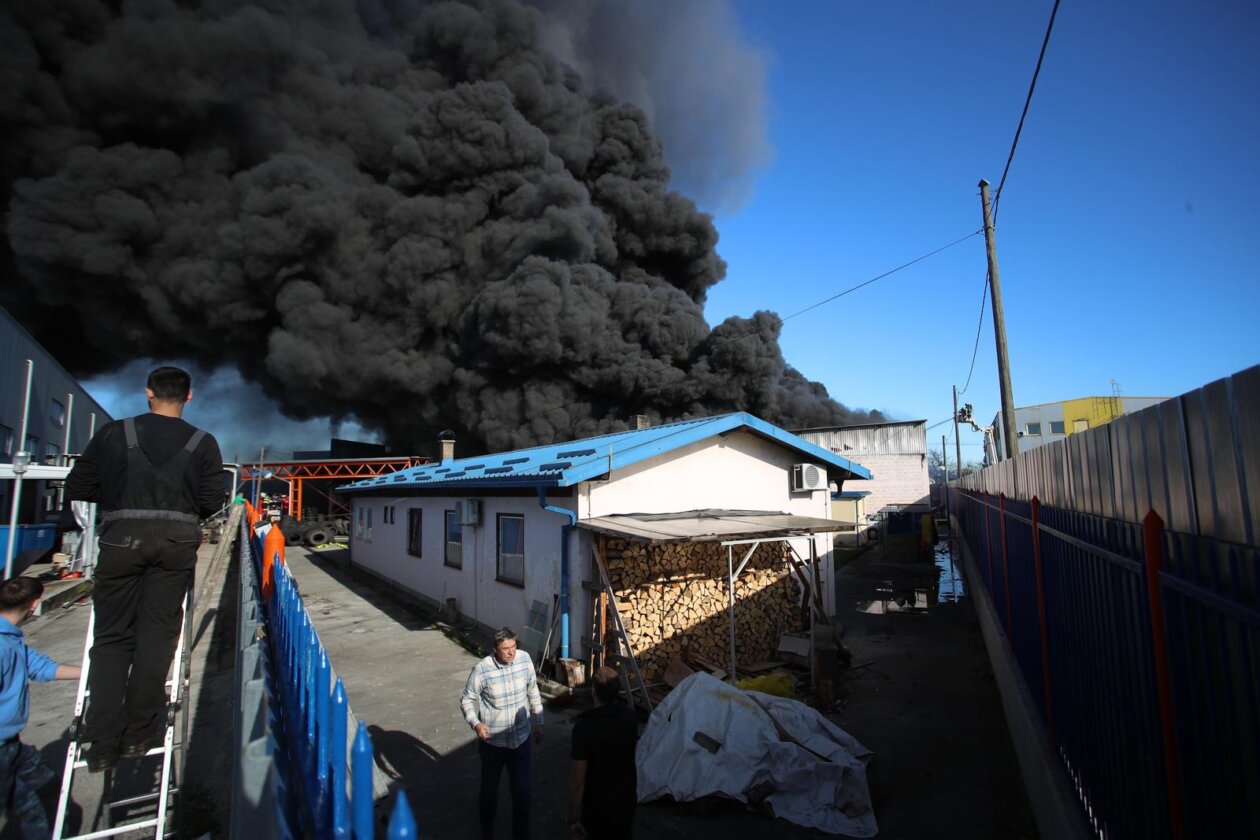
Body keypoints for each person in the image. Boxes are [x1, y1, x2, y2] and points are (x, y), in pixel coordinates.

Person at [66, 365, 223, 772]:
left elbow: (78, 487)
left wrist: (120, 499)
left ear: (147, 392)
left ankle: (100, 740)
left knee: (112, 637)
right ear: (189, 397)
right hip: (176, 543)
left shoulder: (113, 433)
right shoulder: (203, 442)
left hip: (121, 539)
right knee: (158, 635)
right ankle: (140, 733)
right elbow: (212, 500)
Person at [0, 577, 82, 838]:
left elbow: (41, 667)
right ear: (34, 604)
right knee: (33, 813)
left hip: (12, 746)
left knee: (49, 794)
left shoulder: (10, 639)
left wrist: (95, 673)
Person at [460, 627, 544, 840]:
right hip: (493, 744)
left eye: (514, 647)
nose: (511, 652)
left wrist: (539, 721)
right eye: (505, 649)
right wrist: (476, 724)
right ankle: (487, 832)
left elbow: (533, 690)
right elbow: (467, 700)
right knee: (489, 794)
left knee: (522, 795)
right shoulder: (482, 669)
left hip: (520, 741)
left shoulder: (524, 660)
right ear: (494, 649)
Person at [567, 666, 638, 840]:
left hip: (596, 807)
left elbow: (578, 782)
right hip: (625, 801)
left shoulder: (584, 728)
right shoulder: (631, 718)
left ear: (593, 692)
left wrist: (574, 818)